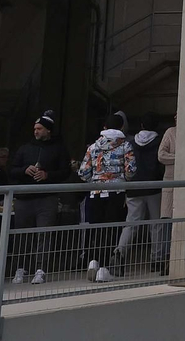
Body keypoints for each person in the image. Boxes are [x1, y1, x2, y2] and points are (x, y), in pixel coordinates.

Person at [8, 110, 69, 285]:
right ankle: (20, 268)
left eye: (39, 128)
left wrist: (47, 175)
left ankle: (40, 269)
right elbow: (12, 170)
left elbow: (65, 171)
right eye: (35, 128)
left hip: (47, 198)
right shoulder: (25, 148)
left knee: (44, 234)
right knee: (22, 235)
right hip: (24, 198)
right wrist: (24, 170)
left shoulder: (59, 148)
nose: (36, 131)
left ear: (48, 130)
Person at [77, 112, 136, 282]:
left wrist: (96, 179)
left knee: (96, 227)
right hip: (116, 193)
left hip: (95, 192)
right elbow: (131, 170)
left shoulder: (93, 147)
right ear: (121, 127)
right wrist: (122, 178)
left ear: (104, 127)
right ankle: (104, 269)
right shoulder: (125, 146)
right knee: (112, 229)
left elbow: (83, 172)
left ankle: (93, 261)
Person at [114, 121, 168, 274]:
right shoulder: (159, 142)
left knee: (131, 224)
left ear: (142, 125)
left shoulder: (131, 143)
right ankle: (157, 260)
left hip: (134, 187)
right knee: (156, 225)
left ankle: (120, 253)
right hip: (154, 187)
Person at [157, 115, 177, 222]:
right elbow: (161, 155)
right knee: (167, 218)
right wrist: (179, 158)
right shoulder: (170, 132)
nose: (175, 117)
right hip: (170, 181)